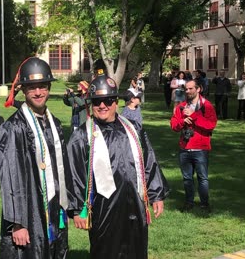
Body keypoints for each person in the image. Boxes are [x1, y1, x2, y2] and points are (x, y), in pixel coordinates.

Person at [67, 74, 169, 259]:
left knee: (136, 249)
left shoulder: (133, 129)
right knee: (107, 251)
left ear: (115, 101)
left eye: (108, 100)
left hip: (135, 205)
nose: (102, 105)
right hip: (104, 208)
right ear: (91, 103)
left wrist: (156, 193)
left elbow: (149, 160)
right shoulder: (82, 136)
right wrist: (76, 210)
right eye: (97, 101)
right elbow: (73, 173)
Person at [0, 57, 73, 258]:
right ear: (23, 89)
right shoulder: (14, 127)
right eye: (32, 87)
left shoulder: (54, 123)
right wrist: (17, 222)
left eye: (42, 86)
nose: (38, 92)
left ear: (48, 87)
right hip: (28, 213)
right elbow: (9, 178)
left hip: (54, 209)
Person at [170, 79, 217, 212]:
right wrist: (182, 121)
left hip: (201, 149)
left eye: (191, 89)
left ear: (198, 89)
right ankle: (189, 202)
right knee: (187, 178)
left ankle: (204, 204)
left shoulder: (206, 106)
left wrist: (194, 116)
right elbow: (174, 125)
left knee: (203, 178)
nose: (188, 91)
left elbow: (211, 125)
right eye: (186, 89)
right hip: (185, 148)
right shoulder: (181, 106)